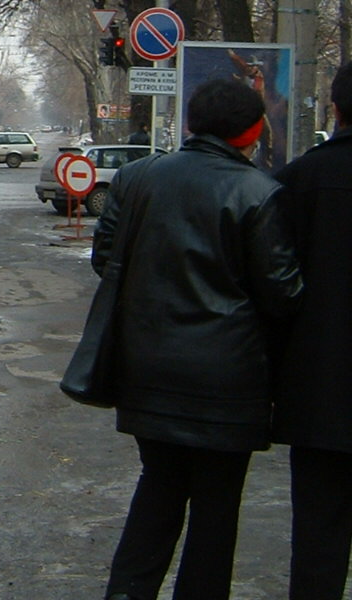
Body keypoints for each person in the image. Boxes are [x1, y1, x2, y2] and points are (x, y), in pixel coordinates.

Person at [89, 78, 302, 600]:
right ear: (253, 131)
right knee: (216, 511)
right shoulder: (258, 192)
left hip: (146, 369)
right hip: (228, 383)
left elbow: (105, 259)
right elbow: (283, 293)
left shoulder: (136, 178)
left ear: (190, 123)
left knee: (157, 490)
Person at [273, 61, 352, 600]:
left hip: (320, 391)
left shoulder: (300, 180)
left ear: (335, 108)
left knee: (319, 537)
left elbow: (275, 286)